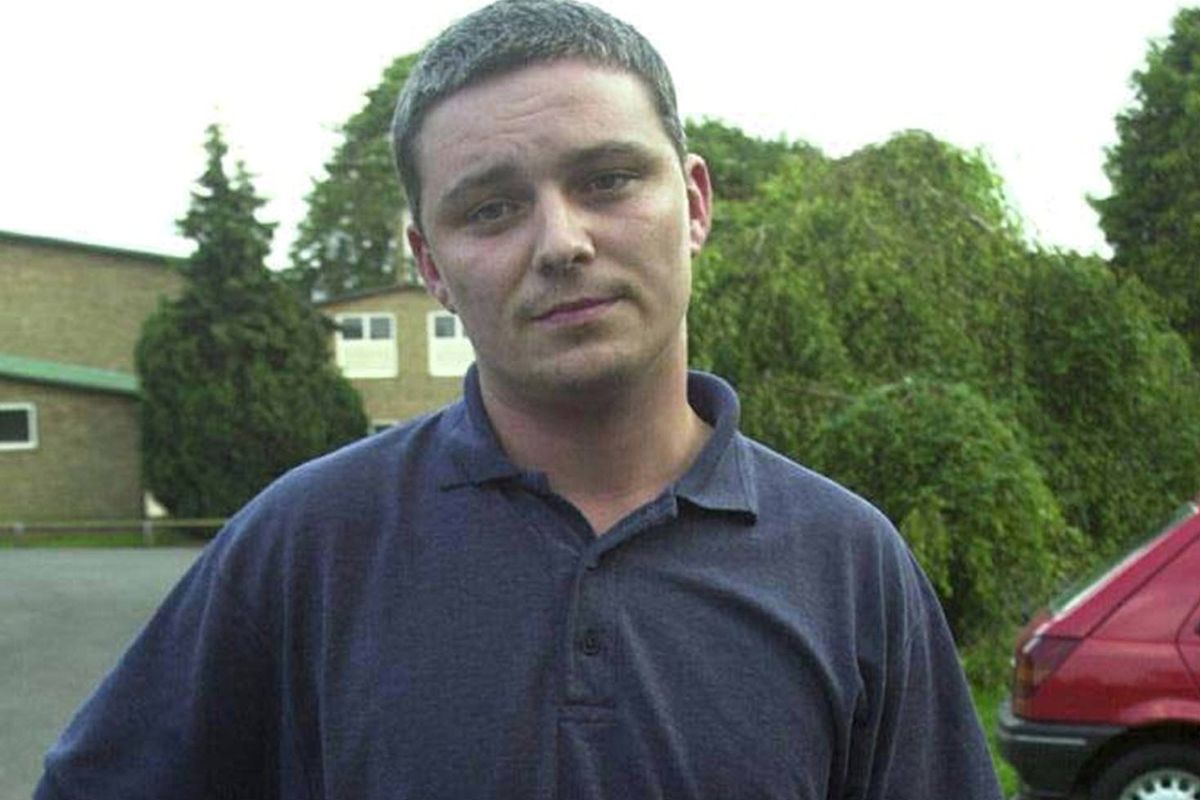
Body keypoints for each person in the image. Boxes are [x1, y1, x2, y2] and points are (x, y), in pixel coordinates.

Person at [36, 1, 1004, 798]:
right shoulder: (306, 542)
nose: (562, 241)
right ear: (430, 264)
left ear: (696, 202)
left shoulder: (848, 562)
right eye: (491, 207)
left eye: (609, 178)